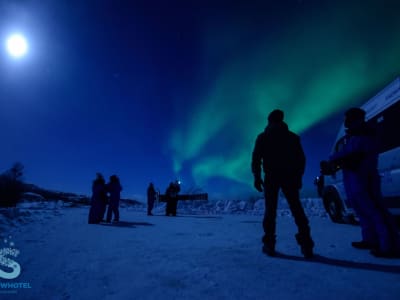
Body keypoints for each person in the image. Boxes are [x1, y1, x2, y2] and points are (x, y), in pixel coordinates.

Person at [323, 107, 400, 258]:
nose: (347, 121)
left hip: (364, 178)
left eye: (350, 118)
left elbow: (355, 156)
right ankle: (370, 239)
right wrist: (333, 162)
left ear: (358, 119)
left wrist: (336, 160)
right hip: (353, 179)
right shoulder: (353, 137)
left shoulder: (367, 135)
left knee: (375, 210)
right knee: (362, 211)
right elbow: (346, 155)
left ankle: (390, 245)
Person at [251, 109, 314, 258]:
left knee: (270, 210)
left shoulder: (263, 137)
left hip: (271, 177)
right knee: (296, 208)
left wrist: (257, 177)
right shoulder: (292, 137)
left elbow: (256, 159)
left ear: (270, 121)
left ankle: (269, 244)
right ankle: (306, 245)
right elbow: (301, 160)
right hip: (290, 176)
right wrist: (298, 177)